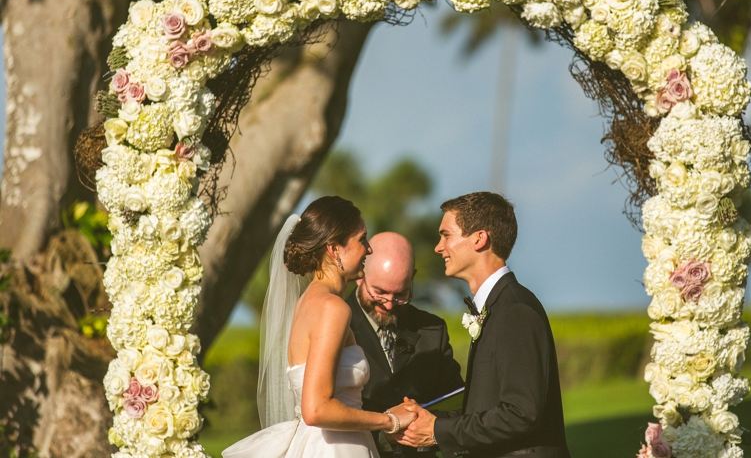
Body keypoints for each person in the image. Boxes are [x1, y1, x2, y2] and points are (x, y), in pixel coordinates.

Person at [223, 196, 416, 458]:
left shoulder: (308, 302)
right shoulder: (332, 308)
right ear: (334, 249)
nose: (369, 249)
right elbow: (316, 409)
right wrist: (389, 420)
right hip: (334, 447)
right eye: (362, 240)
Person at [393, 191, 570, 458]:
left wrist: (438, 430)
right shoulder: (498, 308)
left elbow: (521, 413)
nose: (438, 247)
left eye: (446, 235)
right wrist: (430, 420)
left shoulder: (516, 310)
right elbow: (487, 409)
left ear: (479, 238)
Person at [348, 232, 464, 457]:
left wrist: (429, 425)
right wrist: (384, 430)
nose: (390, 304)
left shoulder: (433, 329)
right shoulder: (337, 325)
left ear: (413, 277)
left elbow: (457, 403)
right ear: (360, 275)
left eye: (401, 294)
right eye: (379, 292)